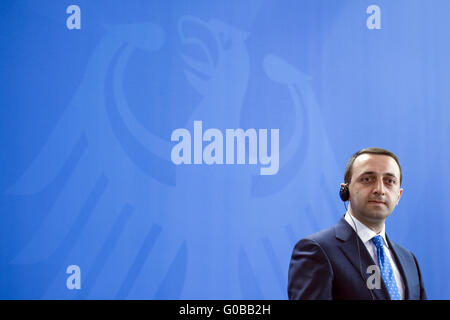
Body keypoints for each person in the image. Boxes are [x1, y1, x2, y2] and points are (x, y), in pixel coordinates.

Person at [288, 147, 427, 300]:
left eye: (389, 181)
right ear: (345, 191)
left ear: (398, 196)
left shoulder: (409, 260)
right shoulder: (317, 250)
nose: (380, 190)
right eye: (368, 179)